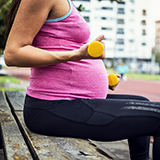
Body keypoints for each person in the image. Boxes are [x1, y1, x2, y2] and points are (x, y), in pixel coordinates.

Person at [4, 0, 160, 159]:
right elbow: (13, 54)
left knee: (143, 100)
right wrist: (77, 55)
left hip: (66, 100)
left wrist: (99, 80)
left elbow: (56, 46)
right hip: (52, 107)